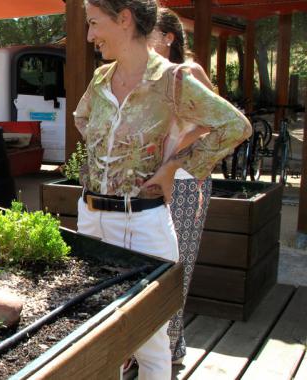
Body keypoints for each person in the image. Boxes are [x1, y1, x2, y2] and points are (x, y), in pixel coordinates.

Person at [75, 0, 251, 378]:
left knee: (152, 342)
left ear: (124, 20)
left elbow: (233, 126)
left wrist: (173, 167)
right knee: (97, 333)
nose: (89, 35)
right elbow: (83, 118)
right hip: (90, 219)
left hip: (144, 224)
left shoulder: (172, 80)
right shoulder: (101, 79)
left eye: (94, 23)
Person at [150, 7, 214, 365]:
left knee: (177, 266)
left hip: (188, 182)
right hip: (156, 181)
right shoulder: (149, 76)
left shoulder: (189, 72)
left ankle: (168, 352)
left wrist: (176, 147)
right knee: (155, 263)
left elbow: (215, 119)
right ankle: (155, 349)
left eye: (150, 33)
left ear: (169, 37)